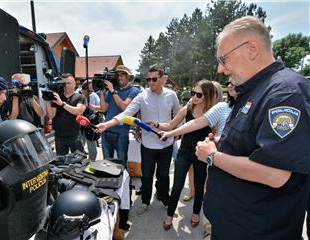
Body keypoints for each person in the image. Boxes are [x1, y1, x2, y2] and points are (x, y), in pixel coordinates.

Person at [195, 16, 310, 239]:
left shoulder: (285, 93)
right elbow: (253, 144)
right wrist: (224, 145)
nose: (220, 68)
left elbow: (275, 173)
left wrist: (212, 157)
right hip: (232, 225)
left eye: (224, 58)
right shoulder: (254, 90)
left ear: (251, 49)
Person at [96, 64, 180, 215]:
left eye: (154, 79)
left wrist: (176, 132)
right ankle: (145, 202)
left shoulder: (172, 95)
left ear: (163, 79)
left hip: (166, 143)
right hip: (148, 144)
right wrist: (107, 124)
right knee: (146, 175)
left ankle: (164, 198)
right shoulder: (142, 96)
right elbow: (126, 114)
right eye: (148, 79)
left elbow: (178, 115)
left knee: (163, 175)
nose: (150, 82)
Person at [153, 79, 216, 230]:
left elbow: (215, 134)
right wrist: (156, 124)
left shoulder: (213, 113)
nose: (194, 97)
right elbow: (170, 125)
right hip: (184, 152)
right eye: (193, 93)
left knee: (199, 186)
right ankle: (169, 216)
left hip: (201, 154)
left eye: (199, 94)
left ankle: (195, 214)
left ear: (207, 96)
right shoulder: (186, 109)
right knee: (177, 186)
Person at [99, 65, 140, 166]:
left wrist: (113, 91)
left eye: (123, 74)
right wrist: (101, 92)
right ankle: (109, 182)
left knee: (121, 163)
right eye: (118, 75)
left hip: (121, 133)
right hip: (106, 130)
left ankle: (123, 182)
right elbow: (103, 109)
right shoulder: (112, 90)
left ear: (128, 77)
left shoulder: (134, 91)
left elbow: (124, 108)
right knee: (106, 163)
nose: (119, 77)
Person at [45, 73, 86, 156]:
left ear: (74, 84)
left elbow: (78, 111)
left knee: (79, 162)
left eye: (69, 83)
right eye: (64, 83)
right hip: (59, 136)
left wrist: (62, 104)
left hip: (75, 135)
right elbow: (51, 115)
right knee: (61, 163)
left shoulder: (80, 97)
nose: (66, 86)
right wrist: (47, 100)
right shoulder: (57, 97)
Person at [81, 80, 101, 161]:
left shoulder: (94, 95)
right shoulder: (77, 94)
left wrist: (94, 107)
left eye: (92, 90)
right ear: (84, 89)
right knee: (79, 146)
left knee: (92, 147)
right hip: (79, 123)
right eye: (89, 90)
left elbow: (101, 107)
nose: (91, 92)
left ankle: (92, 163)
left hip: (90, 123)